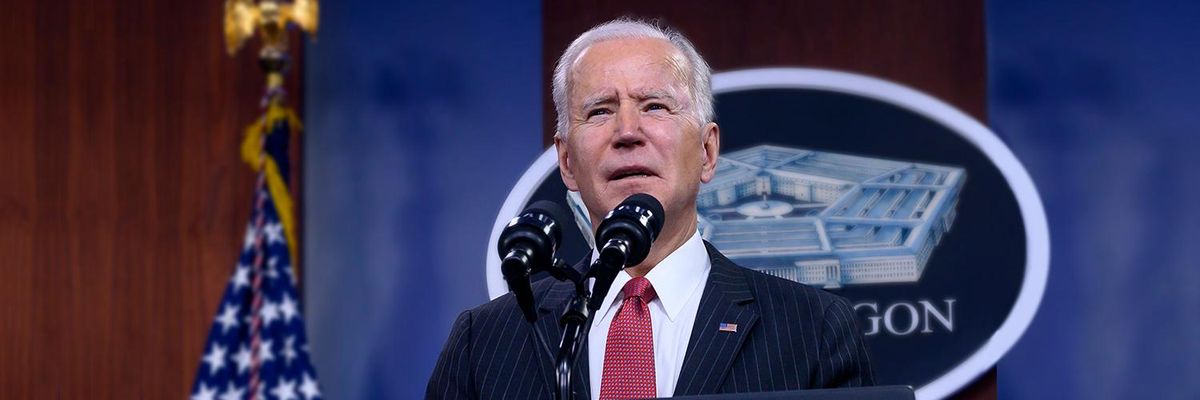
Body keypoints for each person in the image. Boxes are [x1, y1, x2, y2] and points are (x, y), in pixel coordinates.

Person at [427, 18, 874, 400]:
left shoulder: (812, 331)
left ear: (707, 151)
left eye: (654, 106)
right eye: (600, 111)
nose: (627, 131)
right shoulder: (483, 342)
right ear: (566, 161)